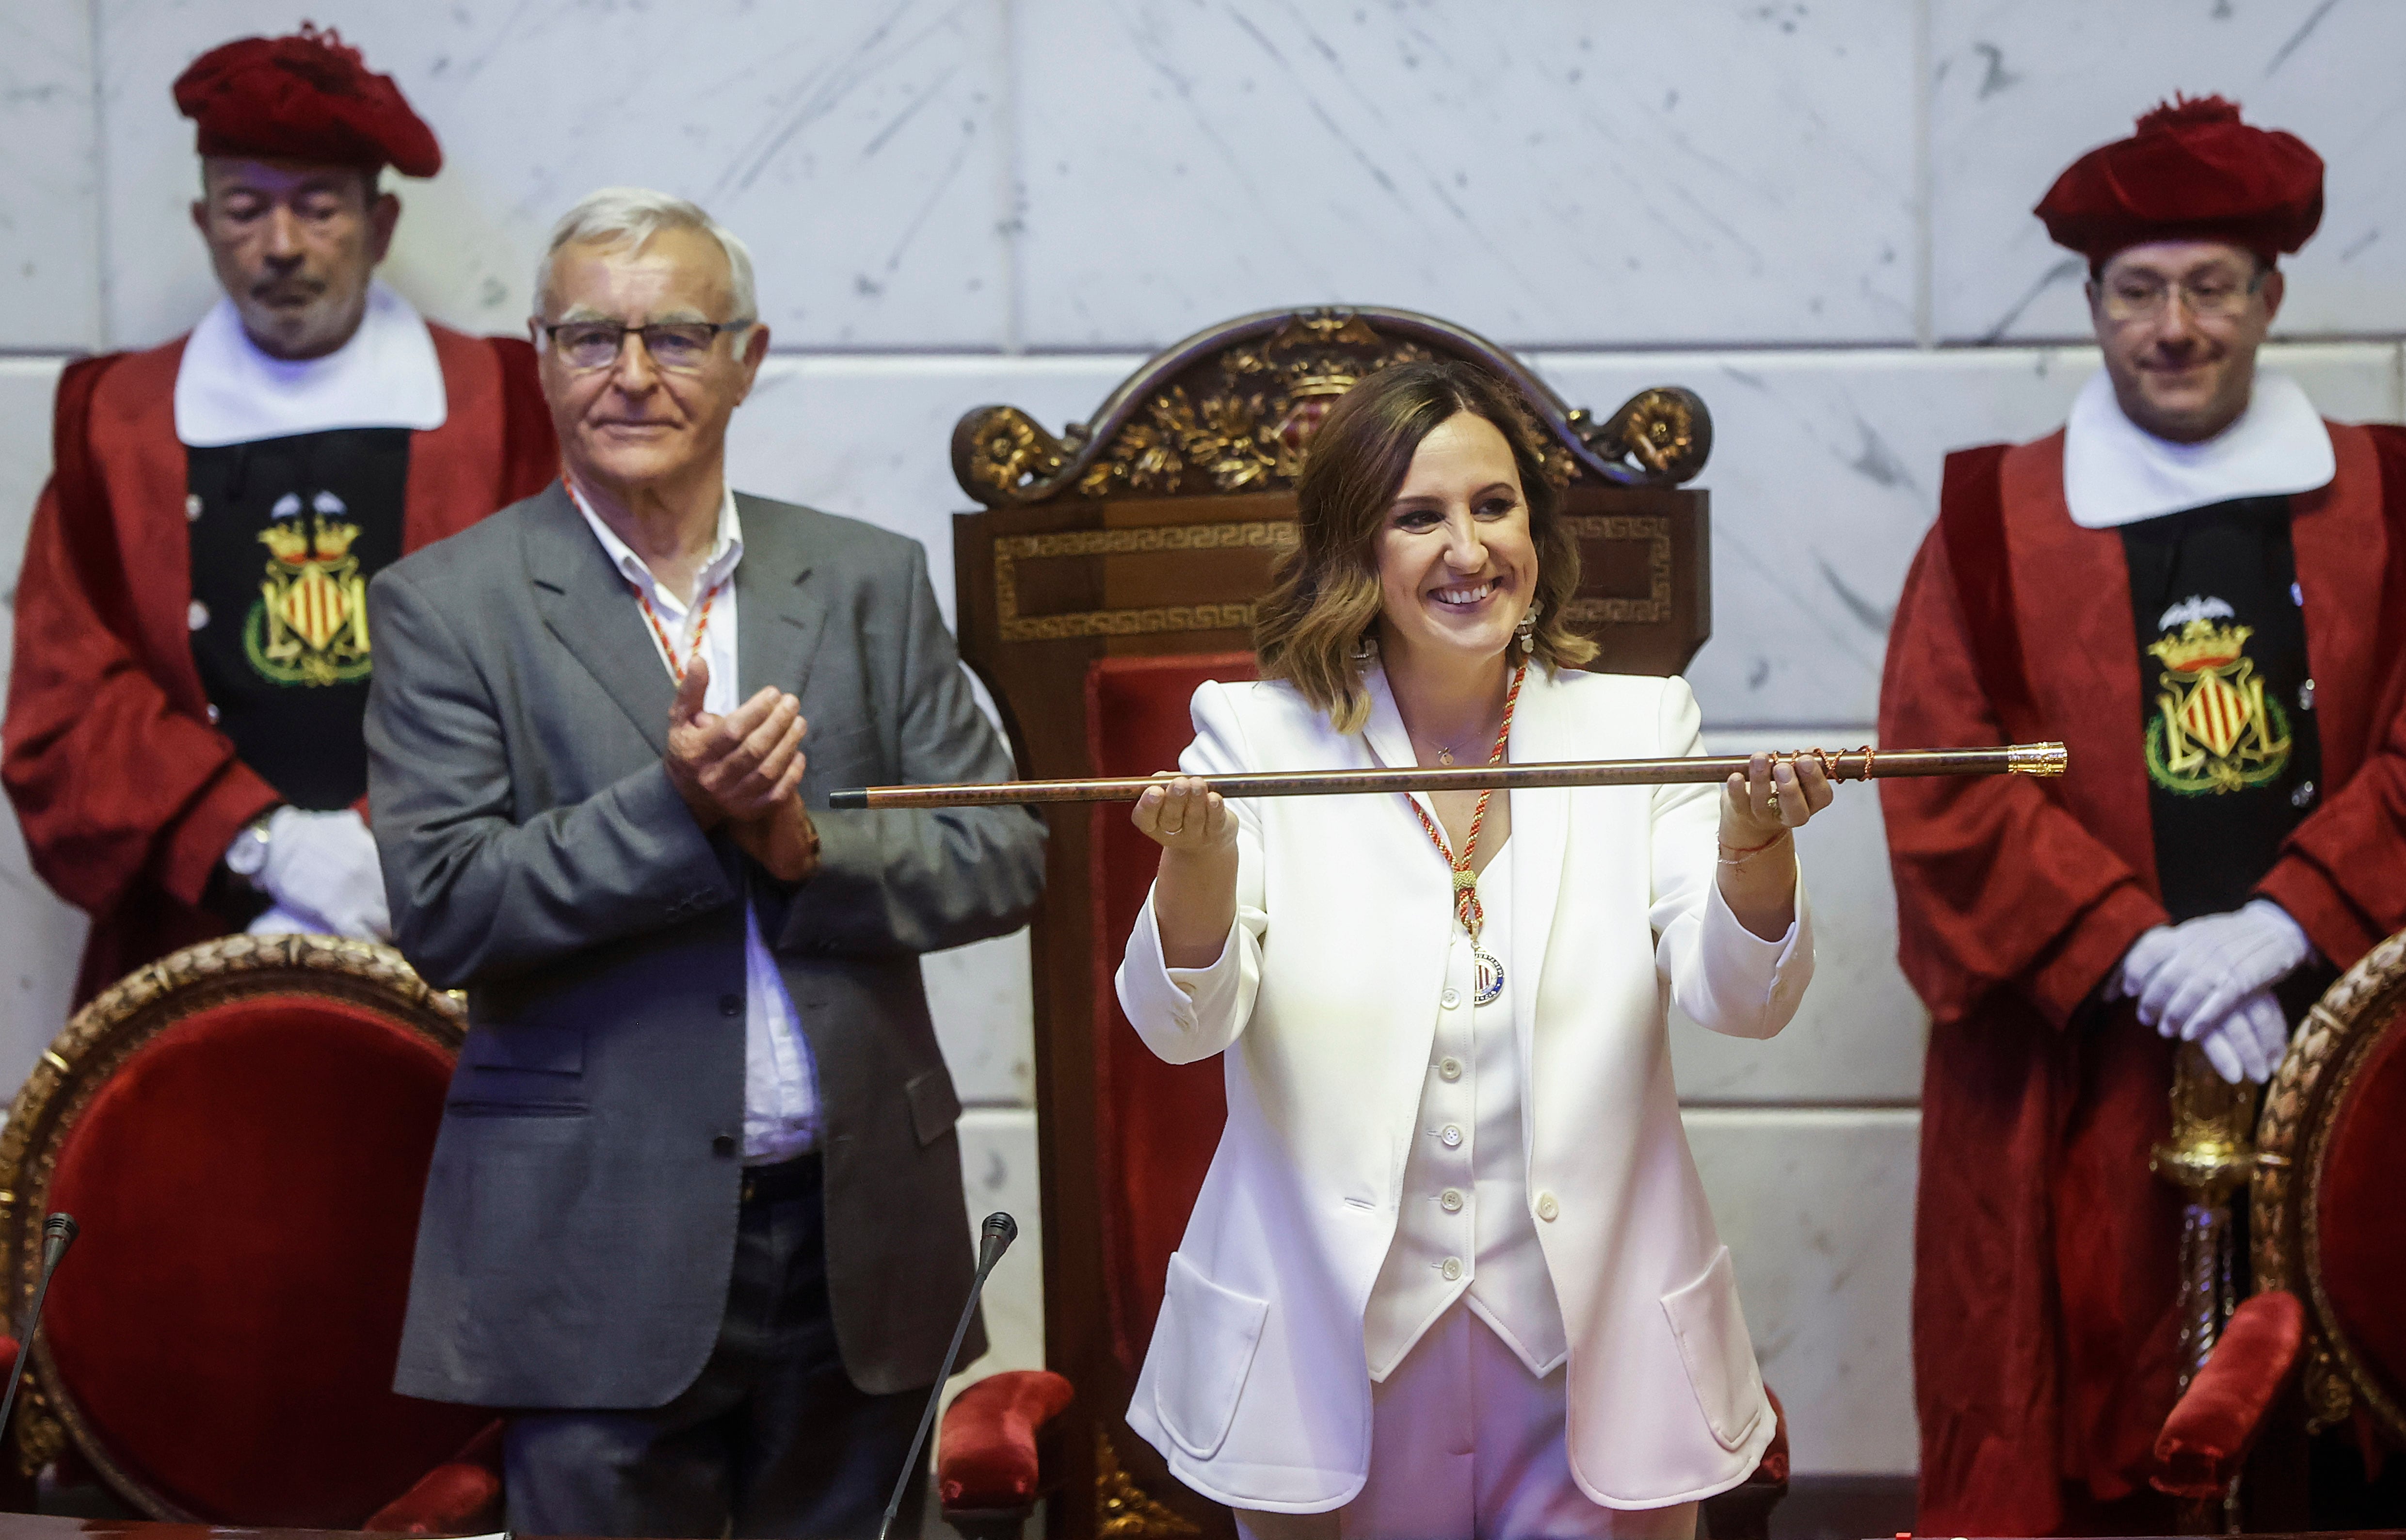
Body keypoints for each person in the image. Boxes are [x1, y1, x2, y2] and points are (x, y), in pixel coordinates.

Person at [367, 187, 1046, 1539]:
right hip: (593, 1242)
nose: (631, 376)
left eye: (676, 336)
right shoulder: (448, 606)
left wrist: (802, 851)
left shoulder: (866, 580)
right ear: (540, 361)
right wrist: (677, 810)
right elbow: (443, 909)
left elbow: (1004, 850)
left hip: (858, 1230)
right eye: (589, 338)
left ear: (750, 354)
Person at [1113, 359, 1827, 1539]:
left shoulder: (1640, 725)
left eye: (1494, 506)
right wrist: (1196, 870)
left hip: (1592, 1355)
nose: (1469, 548)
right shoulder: (1251, 734)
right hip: (1328, 1357)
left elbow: (1739, 997)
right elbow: (1181, 1026)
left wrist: (1754, 846)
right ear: (1358, 548)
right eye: (1419, 517)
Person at [1882, 96, 2406, 1536]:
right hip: (2084, 1067)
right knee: (2085, 1398)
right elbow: (1941, 781)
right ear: (2094, 304)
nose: (2173, 325)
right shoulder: (1992, 521)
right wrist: (2138, 954)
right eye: (2137, 290)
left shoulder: (2393, 495)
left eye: (2210, 286)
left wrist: (2286, 923)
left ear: (2270, 296)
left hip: (2358, 1043)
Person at [0, 25, 555, 1001]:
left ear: (381, 226)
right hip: (191, 948)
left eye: (318, 207)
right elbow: (65, 705)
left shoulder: (501, 411)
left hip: (457, 948)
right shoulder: (115, 427)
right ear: (203, 220)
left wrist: (394, 850)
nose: (282, 246)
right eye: (247, 209)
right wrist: (258, 843)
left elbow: (559, 673)